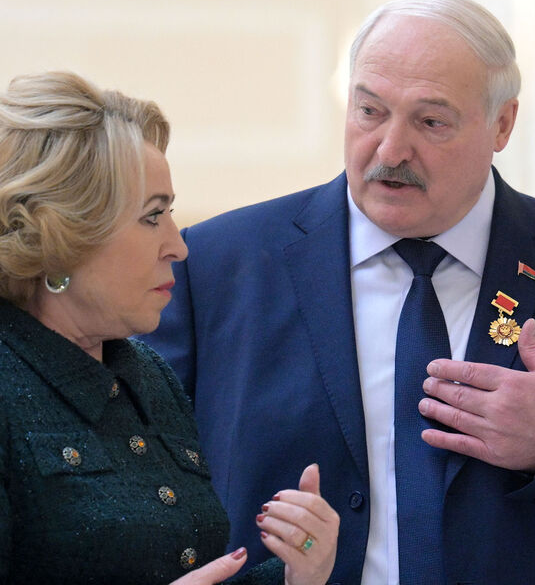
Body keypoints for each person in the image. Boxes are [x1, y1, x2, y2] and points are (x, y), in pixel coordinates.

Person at [141, 0, 535, 584]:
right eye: (370, 111)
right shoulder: (214, 266)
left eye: (431, 122)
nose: (390, 149)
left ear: (503, 124)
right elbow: (138, 486)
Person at [0, 71, 340, 585]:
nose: (178, 247)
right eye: (152, 216)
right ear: (62, 235)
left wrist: (298, 575)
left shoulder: (147, 375)